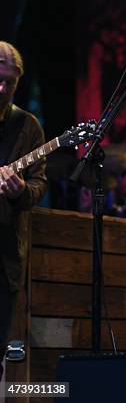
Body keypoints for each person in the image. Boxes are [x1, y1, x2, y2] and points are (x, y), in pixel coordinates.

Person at [0, 42, 47, 380]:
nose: (2, 88)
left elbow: (37, 186)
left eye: (10, 82)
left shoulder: (27, 126)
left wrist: (20, 192)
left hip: (3, 256)